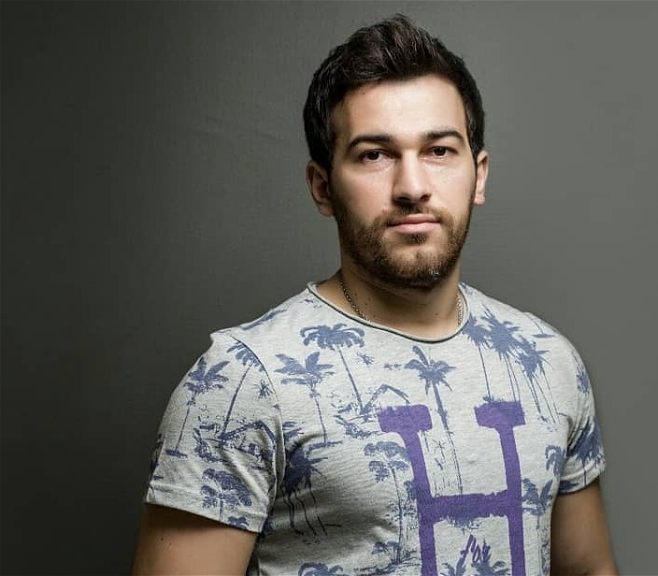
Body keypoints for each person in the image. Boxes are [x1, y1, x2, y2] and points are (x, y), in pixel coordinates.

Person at [132, 14, 616, 576]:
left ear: (478, 174)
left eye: (439, 150)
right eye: (374, 155)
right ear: (322, 188)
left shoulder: (548, 362)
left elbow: (589, 569)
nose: (412, 187)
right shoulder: (242, 381)